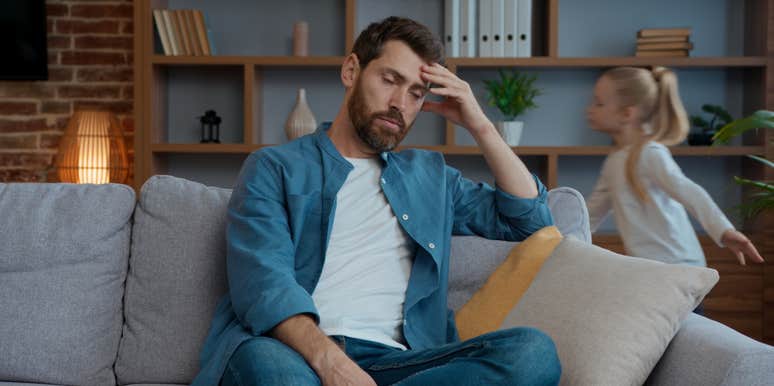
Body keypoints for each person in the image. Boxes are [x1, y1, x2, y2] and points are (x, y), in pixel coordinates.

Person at [190, 17, 561, 386]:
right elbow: (264, 285)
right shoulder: (275, 167)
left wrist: (480, 125)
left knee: (532, 353)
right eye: (390, 80)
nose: (400, 103)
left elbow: (529, 221)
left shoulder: (430, 178)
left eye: (417, 93)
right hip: (294, 353)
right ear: (352, 70)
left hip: (400, 363)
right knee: (269, 366)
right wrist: (333, 365)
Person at [585, 66, 764, 270]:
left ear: (627, 113)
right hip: (651, 270)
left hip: (679, 266)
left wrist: (724, 231)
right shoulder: (615, 162)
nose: (589, 109)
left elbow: (691, 193)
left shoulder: (650, 154)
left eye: (598, 103)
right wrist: (557, 240)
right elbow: (591, 215)